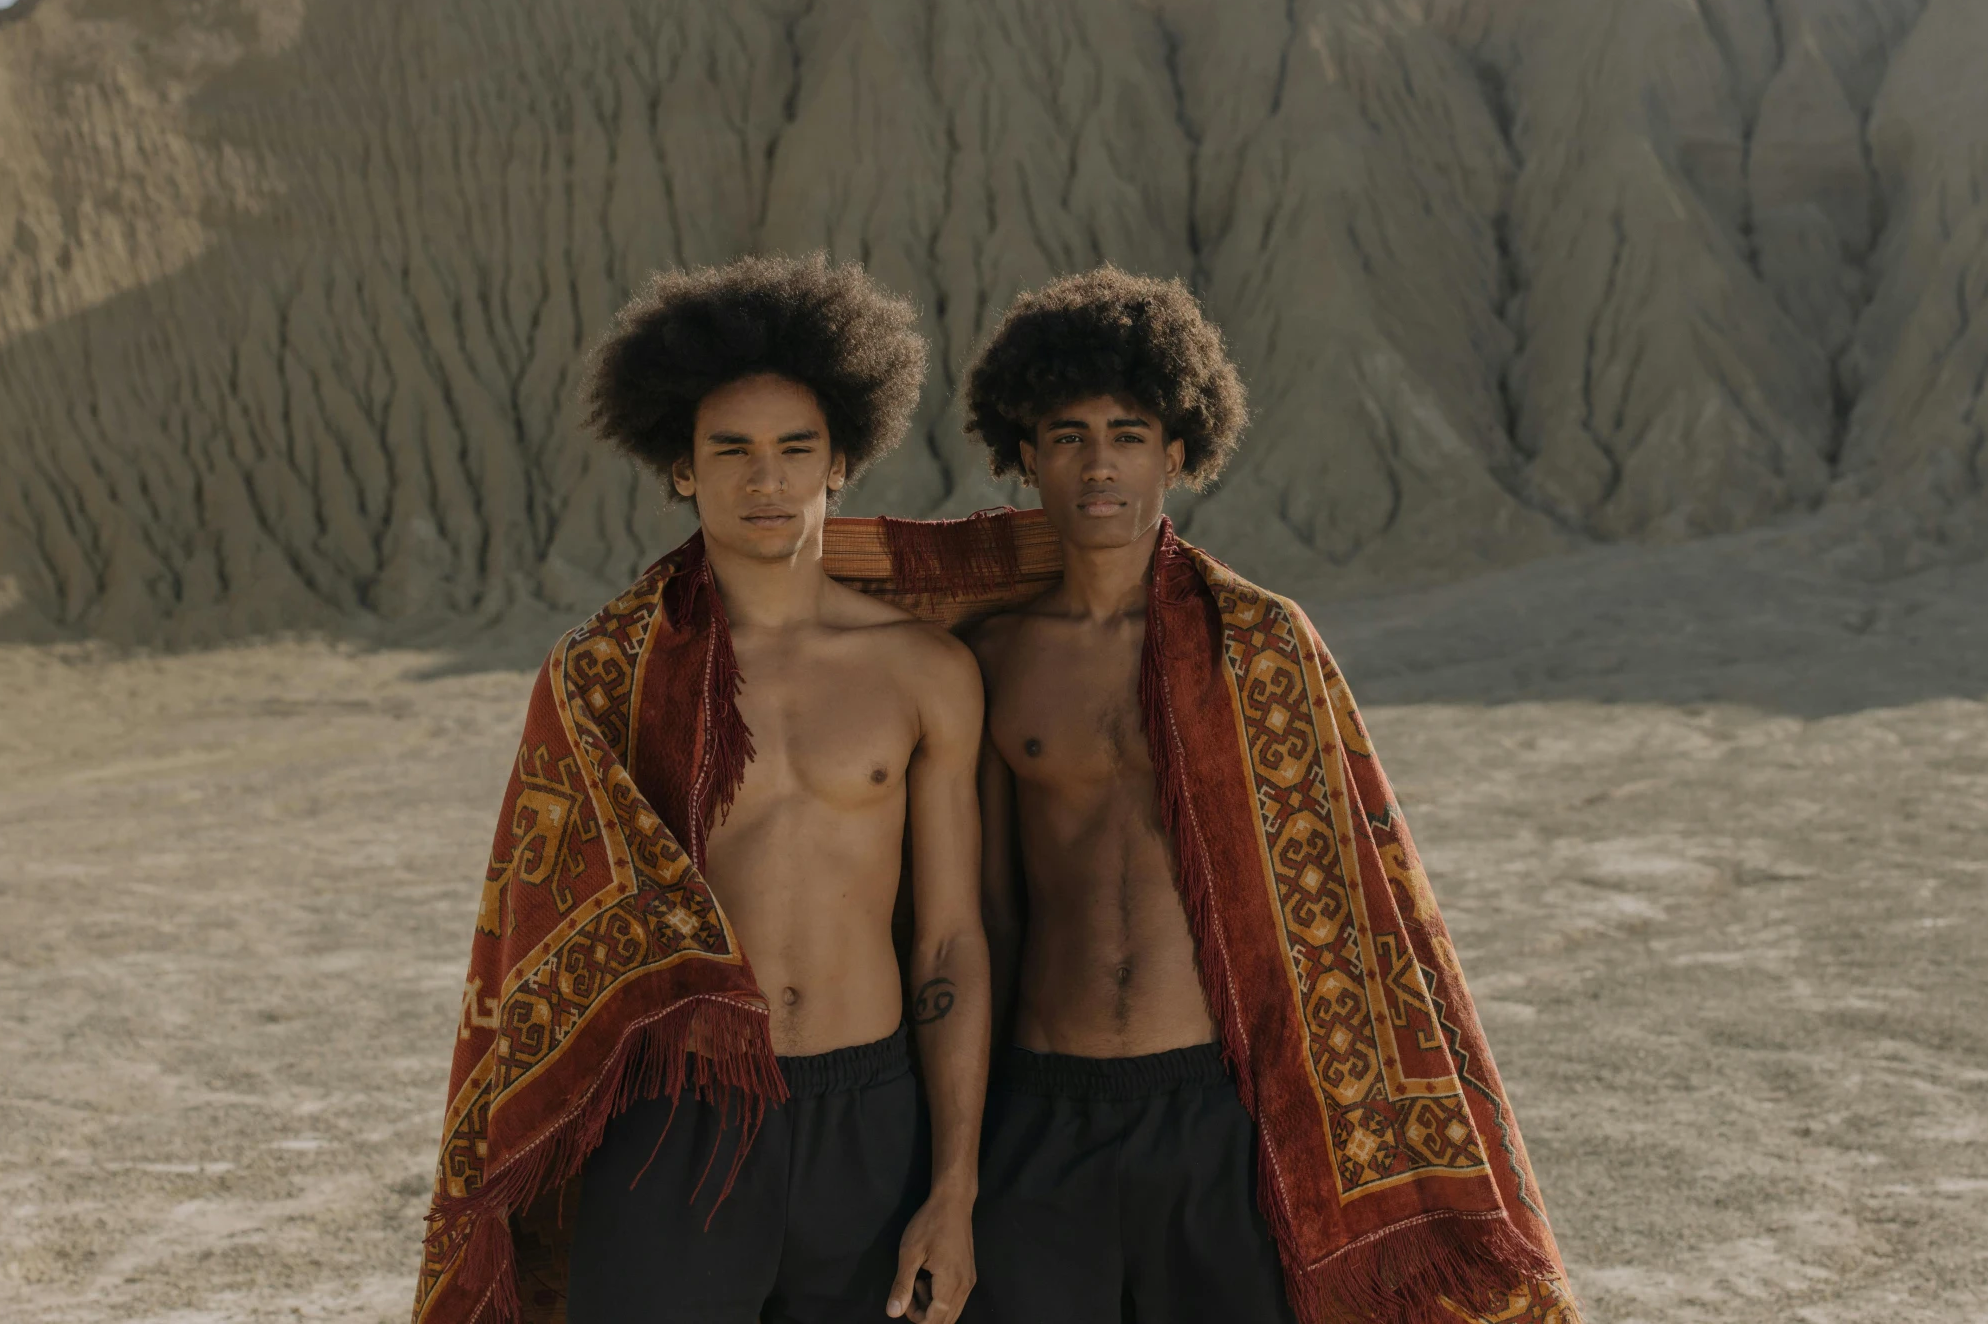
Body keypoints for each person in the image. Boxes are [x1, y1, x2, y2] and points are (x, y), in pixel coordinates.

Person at [959, 268, 1581, 1324]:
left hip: (1214, 1112)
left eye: (1128, 431)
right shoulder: (992, 657)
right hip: (1040, 1104)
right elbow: (986, 913)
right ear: (1025, 453)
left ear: (1178, 452)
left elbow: (1359, 900)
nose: (1097, 461)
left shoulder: (1260, 644)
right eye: (1065, 434)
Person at [412, 254, 987, 1324]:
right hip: (679, 1125)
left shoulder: (924, 674)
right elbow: (535, 932)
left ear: (840, 463)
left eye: (793, 450)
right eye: (731, 451)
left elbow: (949, 940)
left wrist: (952, 1186)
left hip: (870, 1119)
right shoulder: (608, 675)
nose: (765, 479)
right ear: (681, 467)